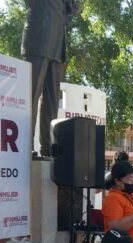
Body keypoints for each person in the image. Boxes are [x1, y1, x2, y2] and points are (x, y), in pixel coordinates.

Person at [22, 0, 79, 156]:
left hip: (58, 45)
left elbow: (75, 8)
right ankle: (25, 146)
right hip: (38, 38)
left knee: (52, 102)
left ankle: (47, 149)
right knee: (30, 96)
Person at [102, 160, 133, 243]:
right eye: (130, 179)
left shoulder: (129, 196)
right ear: (117, 181)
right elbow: (115, 228)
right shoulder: (113, 198)